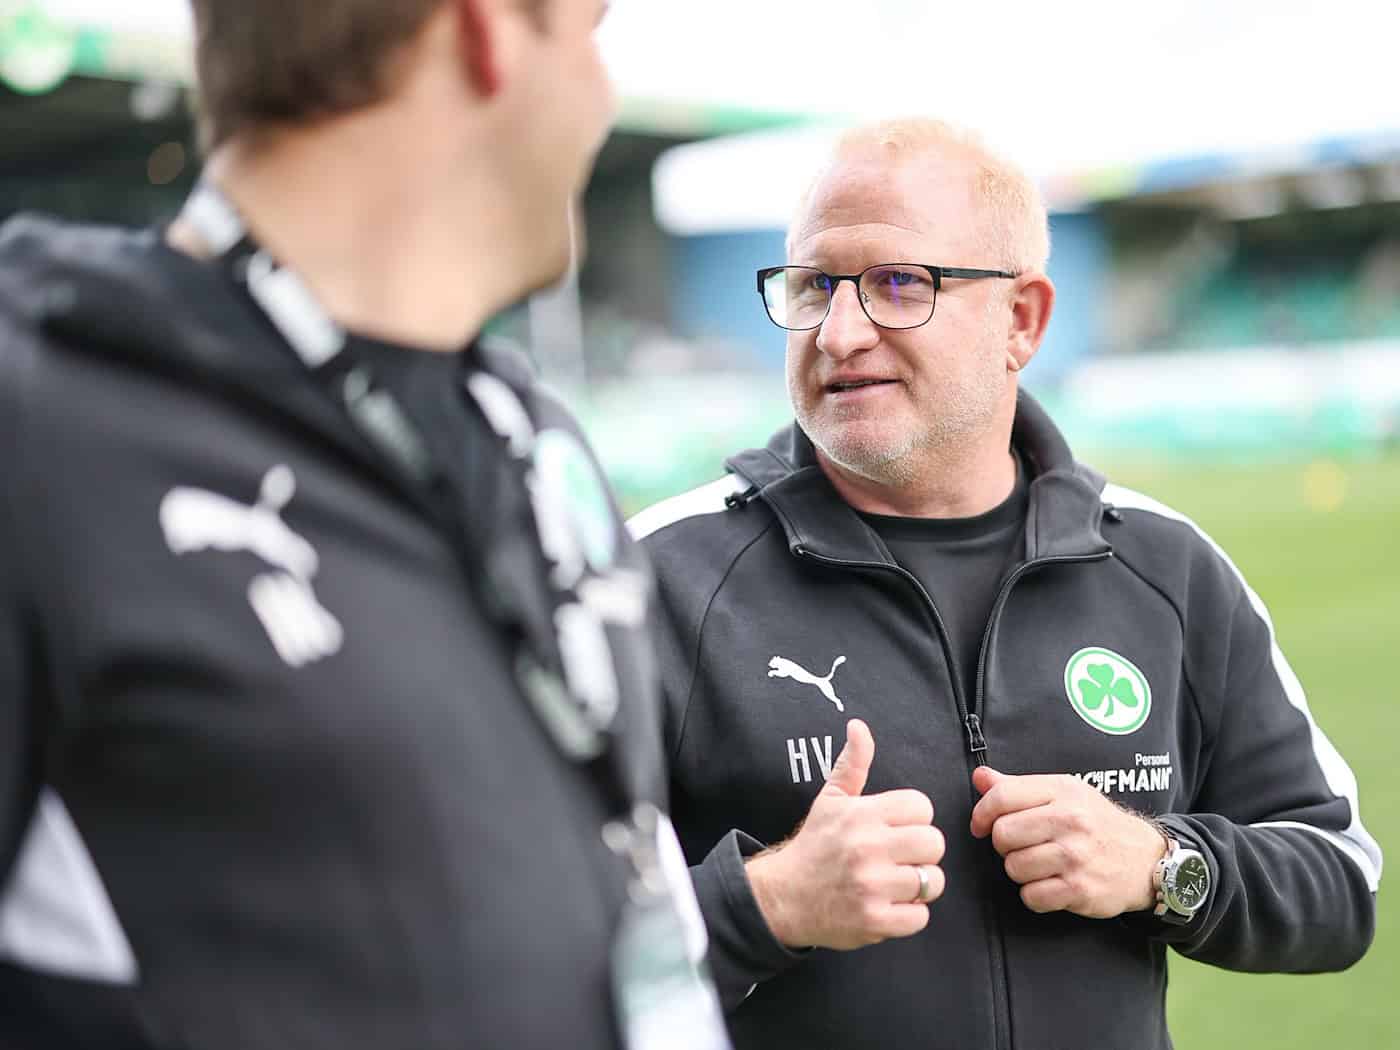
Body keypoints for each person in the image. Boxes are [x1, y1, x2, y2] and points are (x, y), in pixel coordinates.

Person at [0, 2, 729, 1048]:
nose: (604, 93)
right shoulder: (40, 423)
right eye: (588, 30)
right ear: (482, 31)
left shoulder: (539, 447)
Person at [629, 119, 1381, 1049]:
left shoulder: (1167, 570)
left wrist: (1162, 865)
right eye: (814, 285)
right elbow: (519, 949)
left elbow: (1340, 884)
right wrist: (765, 906)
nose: (839, 331)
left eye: (898, 284)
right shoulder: (651, 584)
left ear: (1021, 320)